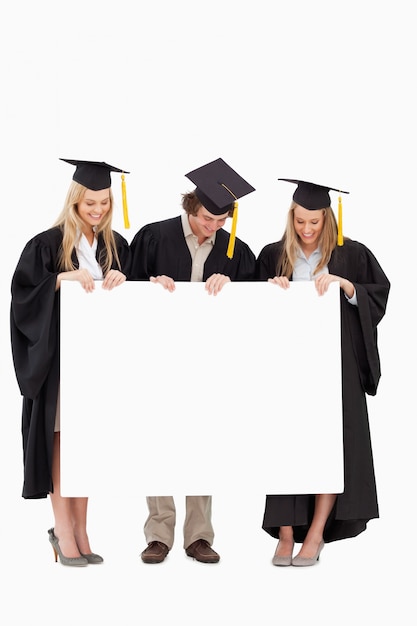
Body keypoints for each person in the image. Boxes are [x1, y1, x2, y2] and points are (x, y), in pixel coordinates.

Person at [255, 178, 390, 566]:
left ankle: (315, 533)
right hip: (287, 367)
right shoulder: (273, 254)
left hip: (337, 365)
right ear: (291, 217)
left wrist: (347, 286)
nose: (307, 229)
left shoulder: (352, 254)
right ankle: (285, 534)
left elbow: (377, 295)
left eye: (314, 221)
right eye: (300, 221)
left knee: (332, 443)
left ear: (327, 218)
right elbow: (250, 306)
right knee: (286, 446)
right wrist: (271, 288)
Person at [129, 157, 256, 563]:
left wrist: (233, 286)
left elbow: (258, 307)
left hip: (210, 365)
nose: (213, 227)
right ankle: (158, 534)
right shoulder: (153, 237)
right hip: (156, 360)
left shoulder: (236, 250)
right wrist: (148, 285)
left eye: (221, 222)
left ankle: (199, 536)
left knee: (203, 442)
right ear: (190, 206)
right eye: (206, 218)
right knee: (157, 442)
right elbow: (124, 291)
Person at [10, 158, 131, 567]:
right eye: (88, 204)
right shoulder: (46, 245)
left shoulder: (116, 247)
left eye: (103, 202)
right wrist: (60, 280)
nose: (97, 210)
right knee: (62, 442)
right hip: (60, 365)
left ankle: (81, 528)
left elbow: (133, 305)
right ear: (74, 201)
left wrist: (120, 279)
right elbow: (22, 298)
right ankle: (63, 530)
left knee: (88, 447)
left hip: (98, 369)